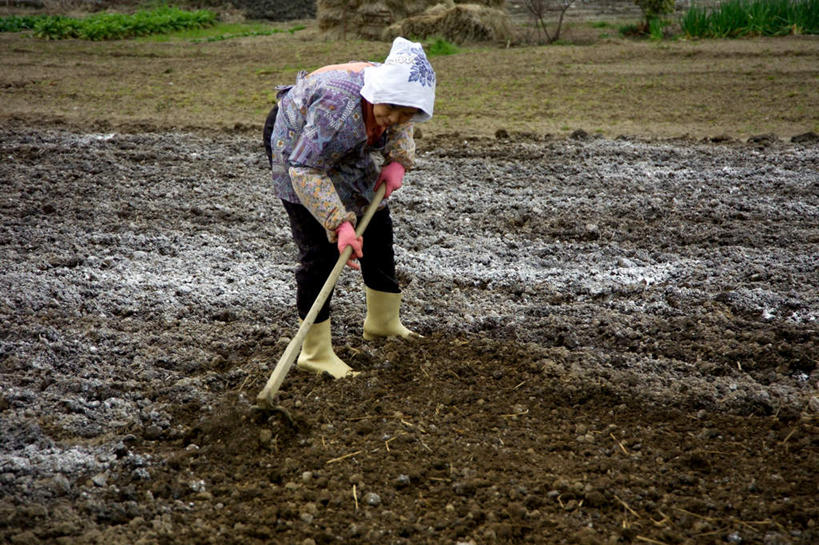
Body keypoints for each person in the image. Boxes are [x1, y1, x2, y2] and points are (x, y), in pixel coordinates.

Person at [263, 37, 436, 379]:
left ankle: (382, 323)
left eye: (405, 112)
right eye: (392, 110)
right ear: (378, 94)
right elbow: (306, 168)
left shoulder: (394, 92)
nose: (396, 119)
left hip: (348, 143)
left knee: (376, 221)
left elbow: (401, 122)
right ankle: (315, 353)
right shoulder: (336, 110)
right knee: (320, 249)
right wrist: (339, 224)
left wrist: (399, 160)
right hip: (298, 147)